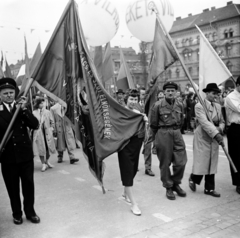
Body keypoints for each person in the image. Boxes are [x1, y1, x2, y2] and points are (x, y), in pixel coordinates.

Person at [0, 78, 40, 225]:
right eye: (5, 93)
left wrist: (24, 110)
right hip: (8, 157)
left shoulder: (21, 107)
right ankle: (17, 213)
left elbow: (35, 125)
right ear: (0, 95)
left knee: (28, 185)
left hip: (25, 155)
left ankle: (30, 212)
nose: (9, 95)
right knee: (12, 188)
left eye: (11, 92)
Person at [149, 82, 187, 200]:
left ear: (176, 92)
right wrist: (154, 143)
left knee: (181, 161)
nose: (170, 92)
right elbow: (153, 125)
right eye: (168, 91)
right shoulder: (157, 105)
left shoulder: (180, 105)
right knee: (165, 163)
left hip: (176, 133)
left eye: (173, 90)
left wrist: (176, 132)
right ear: (164, 92)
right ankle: (168, 187)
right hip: (163, 133)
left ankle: (175, 183)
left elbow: (181, 121)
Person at [189, 83, 225, 197]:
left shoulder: (218, 106)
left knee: (212, 161)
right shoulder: (199, 106)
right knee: (203, 161)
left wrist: (219, 129)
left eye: (217, 94)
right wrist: (216, 133)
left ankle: (209, 188)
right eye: (213, 93)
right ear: (207, 93)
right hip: (203, 136)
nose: (215, 96)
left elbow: (222, 121)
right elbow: (204, 123)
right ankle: (193, 178)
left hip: (214, 135)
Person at [118, 89, 147, 215]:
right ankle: (134, 204)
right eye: (131, 99)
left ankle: (125, 193)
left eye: (136, 99)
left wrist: (145, 119)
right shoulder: (121, 111)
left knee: (133, 170)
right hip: (125, 146)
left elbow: (143, 129)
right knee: (128, 171)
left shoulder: (138, 112)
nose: (133, 101)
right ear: (126, 99)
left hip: (136, 145)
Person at [225, 76, 240, 194]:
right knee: (235, 156)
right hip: (235, 128)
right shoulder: (230, 97)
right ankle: (238, 183)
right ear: (238, 85)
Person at [32, 98, 56, 172]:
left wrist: (51, 129)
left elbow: (52, 122)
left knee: (48, 148)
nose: (43, 104)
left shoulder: (48, 112)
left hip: (47, 133)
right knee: (41, 149)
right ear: (37, 104)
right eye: (41, 103)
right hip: (39, 133)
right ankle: (43, 164)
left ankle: (47, 161)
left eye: (43, 103)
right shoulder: (34, 112)